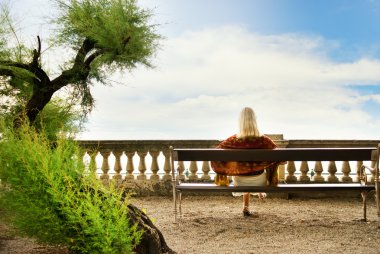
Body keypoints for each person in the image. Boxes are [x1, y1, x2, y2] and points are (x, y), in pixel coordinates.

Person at [211, 107, 281, 217]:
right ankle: (260, 192)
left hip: (240, 181)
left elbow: (216, 154)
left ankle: (245, 206)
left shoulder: (233, 140)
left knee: (244, 170)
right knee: (255, 170)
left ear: (241, 121)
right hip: (259, 181)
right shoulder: (264, 140)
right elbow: (279, 157)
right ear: (255, 120)